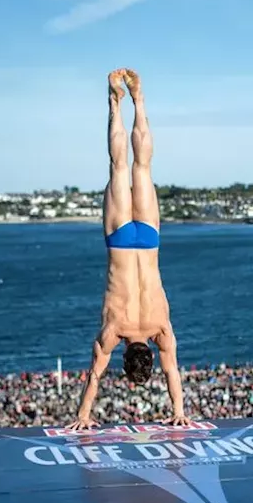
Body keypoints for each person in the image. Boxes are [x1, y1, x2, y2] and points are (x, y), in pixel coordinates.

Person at [65, 69, 191, 430]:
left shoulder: (161, 330)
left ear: (149, 352)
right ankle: (115, 102)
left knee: (141, 166)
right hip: (120, 241)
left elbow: (172, 372)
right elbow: (94, 377)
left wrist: (180, 409)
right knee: (120, 166)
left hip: (148, 239)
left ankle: (137, 99)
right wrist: (83, 415)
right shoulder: (114, 332)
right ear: (126, 356)